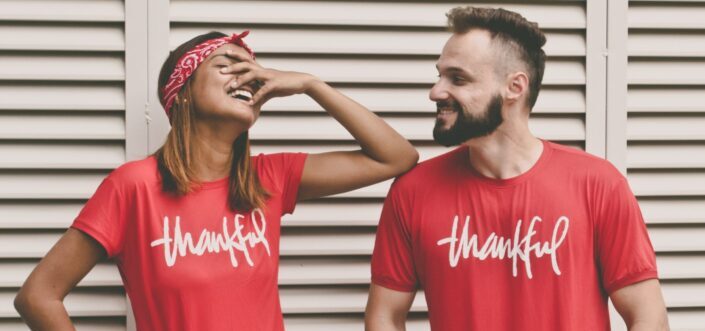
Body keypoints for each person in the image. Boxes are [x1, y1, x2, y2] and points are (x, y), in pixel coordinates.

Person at [14, 30, 418, 330]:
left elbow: (397, 157)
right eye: (226, 66)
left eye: (251, 72)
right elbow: (38, 297)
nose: (245, 78)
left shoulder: (270, 178)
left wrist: (311, 85)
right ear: (182, 92)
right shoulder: (133, 186)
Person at [365, 6, 669, 331]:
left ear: (514, 87)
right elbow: (385, 316)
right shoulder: (413, 191)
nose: (436, 91)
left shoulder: (598, 184)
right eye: (439, 75)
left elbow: (647, 316)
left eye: (458, 78)